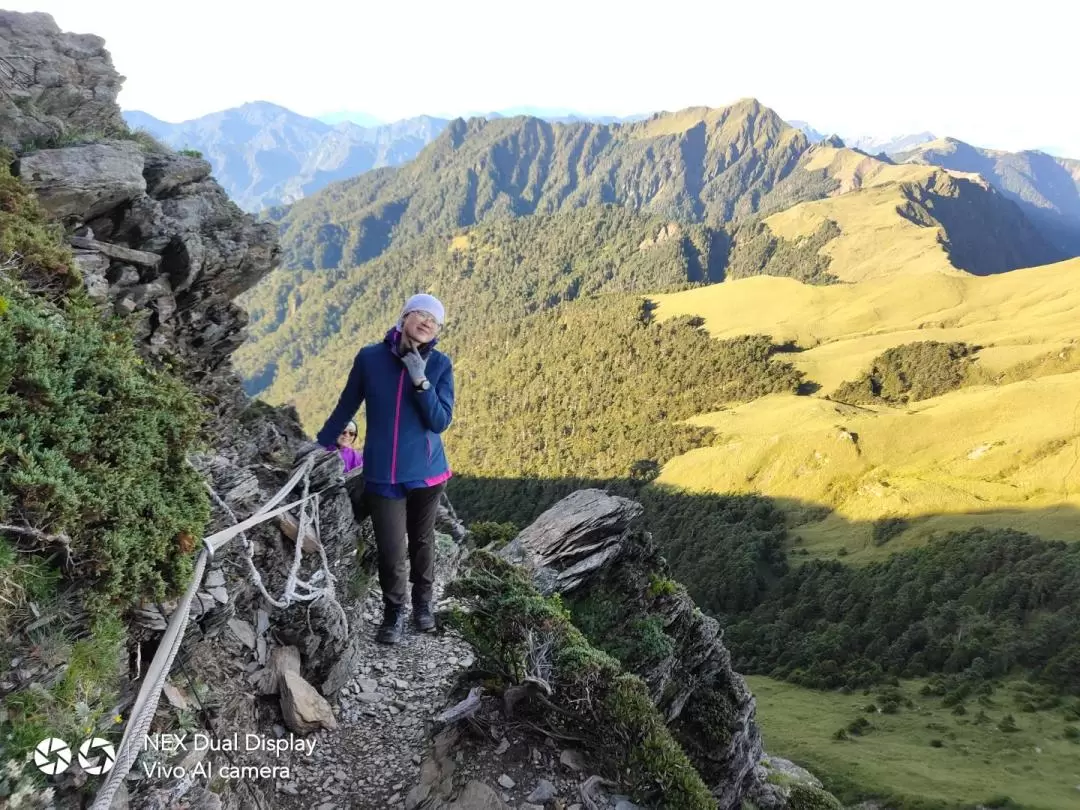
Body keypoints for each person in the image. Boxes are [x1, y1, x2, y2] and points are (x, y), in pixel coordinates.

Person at [315, 293, 454, 644]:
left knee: (422, 543)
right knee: (391, 550)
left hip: (426, 472)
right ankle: (394, 613)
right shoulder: (370, 359)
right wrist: (321, 445)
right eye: (421, 314)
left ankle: (423, 605)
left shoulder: (439, 365)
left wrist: (421, 381)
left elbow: (439, 422)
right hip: (382, 474)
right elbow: (347, 403)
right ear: (404, 316)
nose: (426, 323)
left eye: (434, 321)